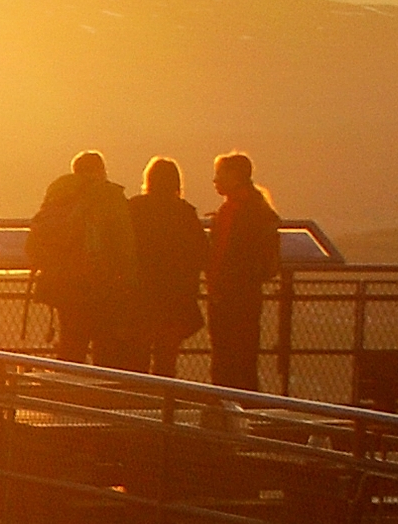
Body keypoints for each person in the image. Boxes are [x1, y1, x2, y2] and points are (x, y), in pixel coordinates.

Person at [26, 150, 135, 362]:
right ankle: (99, 392)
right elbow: (124, 245)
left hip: (62, 284)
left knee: (71, 343)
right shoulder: (109, 196)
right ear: (99, 170)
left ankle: (66, 391)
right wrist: (129, 284)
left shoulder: (59, 193)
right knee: (105, 346)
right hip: (99, 284)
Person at [113, 157, 208, 376]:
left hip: (140, 292)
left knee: (137, 351)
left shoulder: (134, 208)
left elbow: (120, 246)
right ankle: (165, 401)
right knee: (167, 355)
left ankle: (138, 400)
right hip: (175, 295)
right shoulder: (184, 212)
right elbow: (201, 253)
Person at [204, 150, 281, 391]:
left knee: (224, 358)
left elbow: (221, 256)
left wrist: (216, 286)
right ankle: (246, 408)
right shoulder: (259, 210)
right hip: (248, 294)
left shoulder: (232, 212)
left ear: (235, 176)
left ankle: (224, 412)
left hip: (228, 296)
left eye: (220, 175)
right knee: (245, 357)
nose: (215, 180)